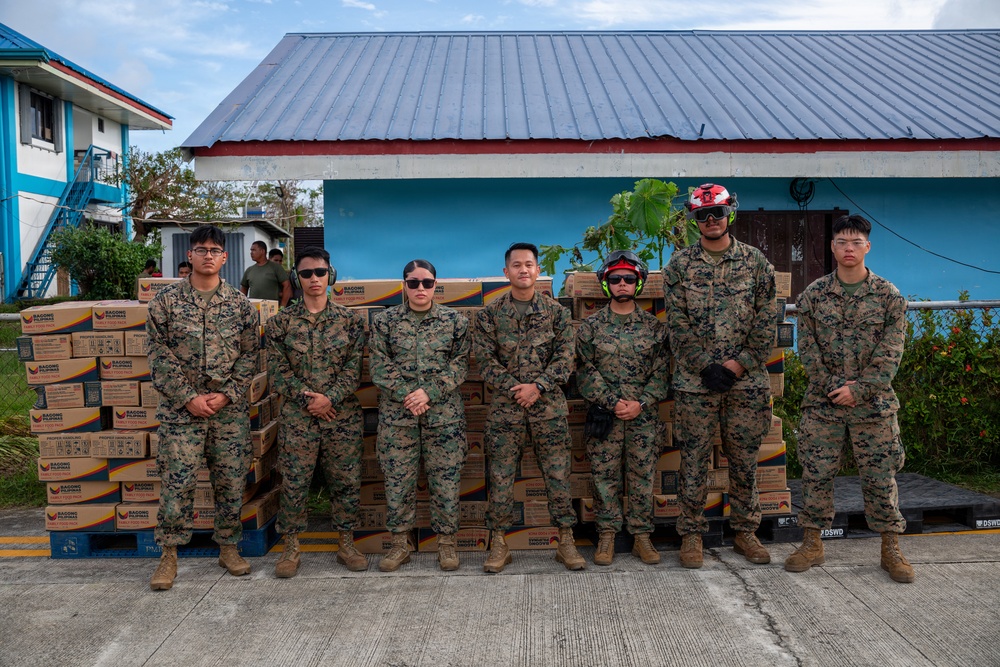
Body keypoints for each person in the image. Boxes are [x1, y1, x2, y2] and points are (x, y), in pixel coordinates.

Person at [785, 214, 913, 583]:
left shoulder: (889, 297)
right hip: (823, 406)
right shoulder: (813, 295)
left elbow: (891, 354)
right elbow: (806, 350)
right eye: (842, 242)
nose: (849, 249)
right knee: (816, 475)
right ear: (833, 247)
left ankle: (891, 548)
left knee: (880, 477)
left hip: (872, 407)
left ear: (867, 247)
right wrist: (832, 387)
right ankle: (812, 543)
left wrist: (858, 389)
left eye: (856, 242)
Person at [664, 183, 777, 569]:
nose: (711, 221)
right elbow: (676, 323)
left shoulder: (756, 262)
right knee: (693, 460)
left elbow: (767, 320)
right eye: (703, 215)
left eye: (718, 213)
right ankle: (692, 536)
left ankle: (746, 532)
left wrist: (737, 364)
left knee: (744, 459)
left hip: (745, 382)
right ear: (695, 220)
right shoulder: (679, 266)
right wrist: (703, 365)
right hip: (696, 384)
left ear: (731, 214)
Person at [146, 225, 259, 591]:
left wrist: (226, 395)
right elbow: (158, 356)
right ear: (190, 256)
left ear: (225, 257)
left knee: (229, 481)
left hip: (228, 414)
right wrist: (188, 398)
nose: (207, 255)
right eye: (200, 249)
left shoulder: (241, 306)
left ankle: (228, 547)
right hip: (182, 413)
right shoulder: (164, 303)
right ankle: (169, 557)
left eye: (214, 250)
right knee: (177, 484)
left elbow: (249, 357)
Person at [474, 242, 585, 573]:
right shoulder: (489, 315)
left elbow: (566, 358)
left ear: (538, 271)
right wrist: (515, 389)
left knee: (558, 477)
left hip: (548, 409)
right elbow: (484, 360)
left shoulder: (558, 314)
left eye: (529, 265)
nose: (523, 270)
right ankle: (499, 544)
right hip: (505, 411)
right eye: (516, 265)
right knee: (501, 477)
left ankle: (566, 542)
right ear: (505, 272)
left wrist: (537, 386)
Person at [265, 246, 368, 577]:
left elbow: (355, 371)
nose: (314, 278)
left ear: (331, 276)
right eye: (306, 273)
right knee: (294, 481)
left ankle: (346, 543)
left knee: (346, 481)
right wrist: (310, 400)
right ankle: (291, 547)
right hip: (299, 417)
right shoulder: (280, 323)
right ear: (296, 277)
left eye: (320, 272)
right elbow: (278, 372)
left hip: (341, 416)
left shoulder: (351, 322)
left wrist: (330, 399)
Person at [369, 260, 470, 572]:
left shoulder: (455, 321)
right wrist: (406, 395)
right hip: (398, 418)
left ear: (436, 285)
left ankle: (447, 544)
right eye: (413, 283)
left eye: (427, 282)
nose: (420, 288)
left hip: (444, 418)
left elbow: (461, 363)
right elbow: (378, 365)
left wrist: (429, 392)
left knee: (446, 483)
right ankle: (400, 543)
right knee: (398, 483)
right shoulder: (384, 322)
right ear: (404, 285)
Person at [575, 250, 670, 566]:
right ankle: (606, 537)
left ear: (638, 283)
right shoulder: (590, 328)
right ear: (606, 284)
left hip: (643, 418)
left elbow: (662, 372)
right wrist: (612, 402)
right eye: (615, 279)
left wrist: (640, 403)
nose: (622, 284)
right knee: (604, 477)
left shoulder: (655, 329)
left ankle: (642, 536)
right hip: (606, 416)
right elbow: (584, 371)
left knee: (643, 476)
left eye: (629, 278)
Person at [240, 240, 291, 307]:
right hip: (254, 310)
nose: (251, 253)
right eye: (251, 250)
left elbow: (287, 286)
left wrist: (282, 307)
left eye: (254, 250)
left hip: (272, 310)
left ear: (262, 251)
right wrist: (242, 306)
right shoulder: (249, 270)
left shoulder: (276, 267)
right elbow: (243, 289)